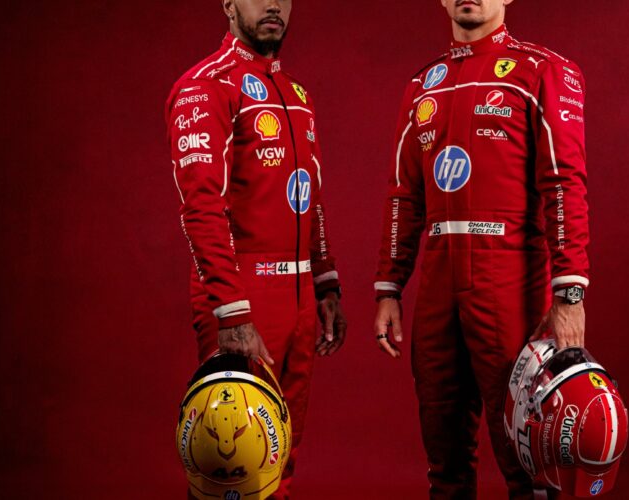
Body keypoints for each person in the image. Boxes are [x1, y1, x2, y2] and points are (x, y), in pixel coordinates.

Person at [373, 0, 589, 498]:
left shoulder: (542, 71)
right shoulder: (422, 84)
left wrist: (570, 293)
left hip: (509, 280)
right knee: (444, 457)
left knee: (528, 456)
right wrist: (389, 286)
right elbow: (404, 194)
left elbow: (564, 184)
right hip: (438, 284)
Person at [165, 1, 346, 498]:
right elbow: (201, 207)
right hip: (244, 294)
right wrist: (232, 309)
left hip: (300, 295)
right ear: (227, 4)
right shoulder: (205, 86)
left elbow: (311, 197)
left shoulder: (296, 94)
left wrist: (325, 281)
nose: (273, 5)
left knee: (280, 456)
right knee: (233, 461)